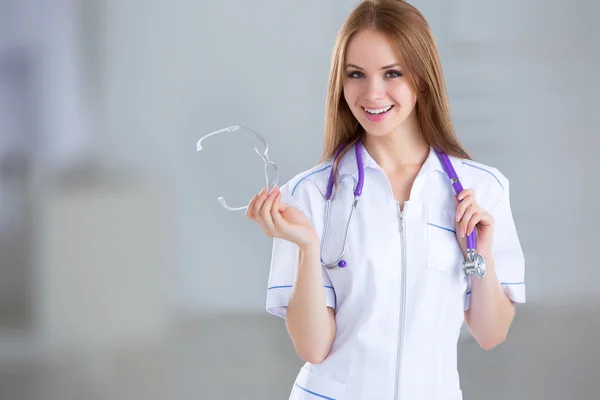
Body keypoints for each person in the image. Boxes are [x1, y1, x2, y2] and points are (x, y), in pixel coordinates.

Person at [246, 0, 526, 399]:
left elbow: (491, 333)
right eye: (356, 74)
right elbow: (312, 348)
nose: (372, 93)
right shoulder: (307, 195)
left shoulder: (483, 189)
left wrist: (481, 253)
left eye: (391, 73)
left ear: (422, 78)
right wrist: (306, 247)